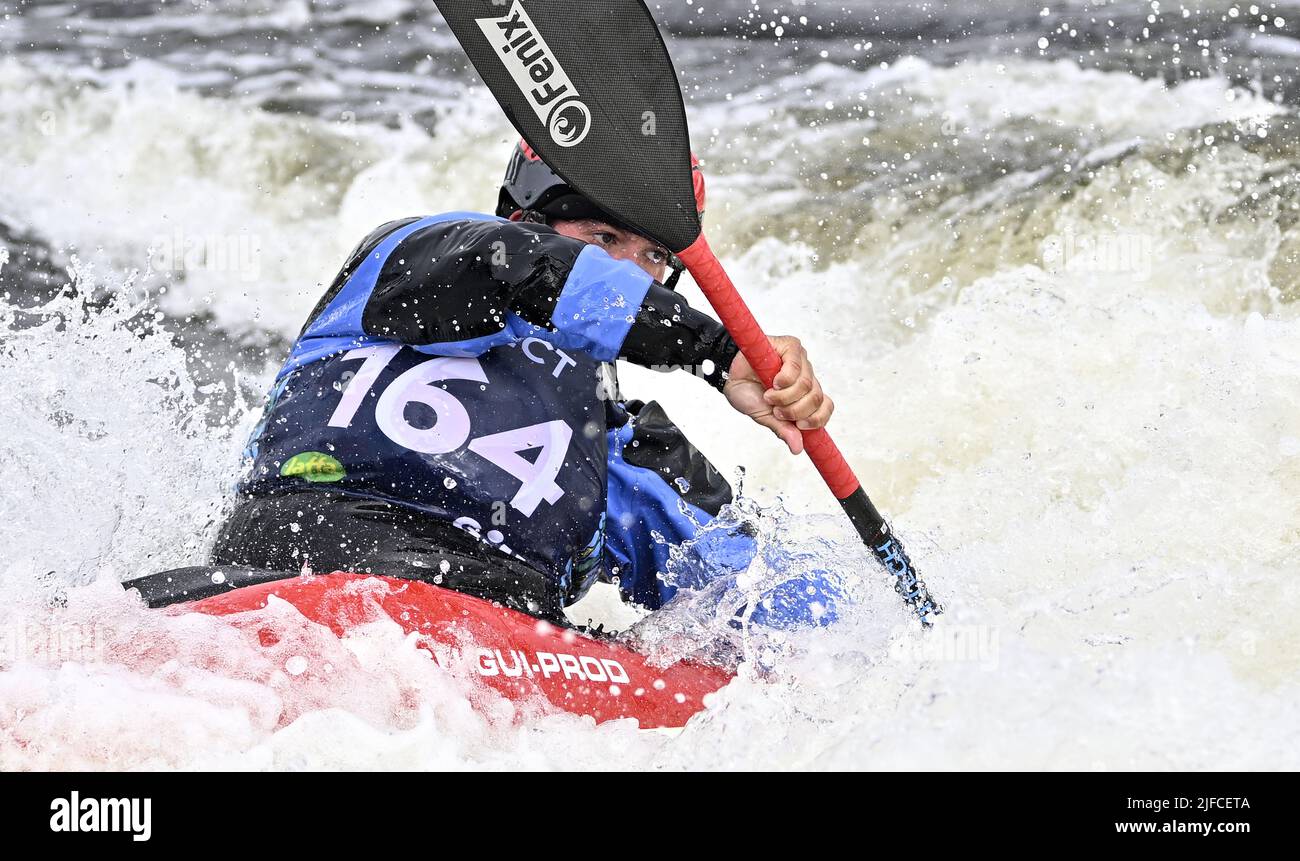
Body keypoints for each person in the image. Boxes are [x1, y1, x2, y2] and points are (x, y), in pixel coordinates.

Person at [211, 140, 834, 626]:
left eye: (653, 258)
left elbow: (759, 593)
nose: (628, 272)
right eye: (603, 237)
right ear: (526, 219)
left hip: (490, 636)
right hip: (288, 568)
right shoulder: (410, 260)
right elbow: (525, 269)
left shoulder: (614, 446)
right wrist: (719, 350)